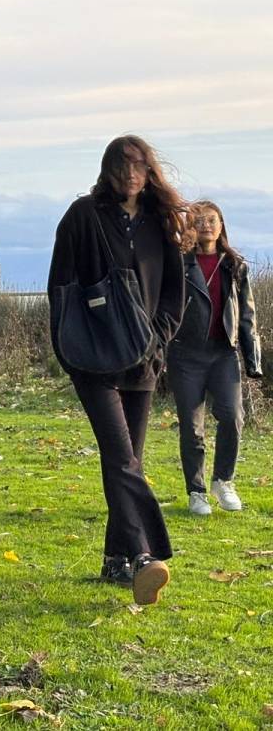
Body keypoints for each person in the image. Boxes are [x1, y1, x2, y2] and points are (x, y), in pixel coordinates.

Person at [48, 135, 187, 606]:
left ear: (149, 171)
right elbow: (60, 289)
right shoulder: (82, 215)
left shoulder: (161, 221)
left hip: (143, 360)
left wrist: (157, 340)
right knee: (121, 455)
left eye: (138, 165)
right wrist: (68, 351)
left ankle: (115, 559)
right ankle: (145, 556)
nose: (130, 174)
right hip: (93, 360)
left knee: (128, 461)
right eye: (122, 165)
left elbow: (174, 293)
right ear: (107, 169)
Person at [167, 200, 262, 516]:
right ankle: (196, 492)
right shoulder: (179, 264)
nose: (206, 225)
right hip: (185, 355)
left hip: (223, 353)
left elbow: (246, 314)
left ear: (221, 226)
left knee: (233, 417)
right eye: (199, 220)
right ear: (190, 227)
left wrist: (253, 359)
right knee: (192, 427)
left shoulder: (235, 265)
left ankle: (223, 481)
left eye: (211, 220)